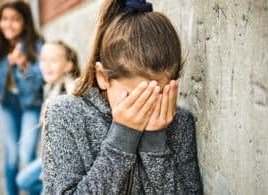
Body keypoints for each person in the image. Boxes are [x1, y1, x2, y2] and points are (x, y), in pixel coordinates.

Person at [43, 0, 203, 194]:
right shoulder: (66, 114)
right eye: (135, 97)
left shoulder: (179, 122)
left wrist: (155, 144)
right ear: (103, 77)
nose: (145, 107)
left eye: (157, 94)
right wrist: (122, 138)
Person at [0, 1, 44, 194]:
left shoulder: (36, 43)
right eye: (5, 19)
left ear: (26, 22)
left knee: (26, 154)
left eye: (15, 20)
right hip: (8, 104)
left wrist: (24, 66)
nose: (9, 24)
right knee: (12, 157)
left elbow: (41, 78)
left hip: (31, 104)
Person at [16, 40, 81, 195]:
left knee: (32, 183)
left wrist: (50, 169)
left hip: (65, 162)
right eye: (43, 60)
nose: (46, 65)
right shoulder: (51, 89)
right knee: (23, 180)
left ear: (68, 65)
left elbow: (72, 141)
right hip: (51, 157)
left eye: (53, 60)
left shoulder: (70, 94)